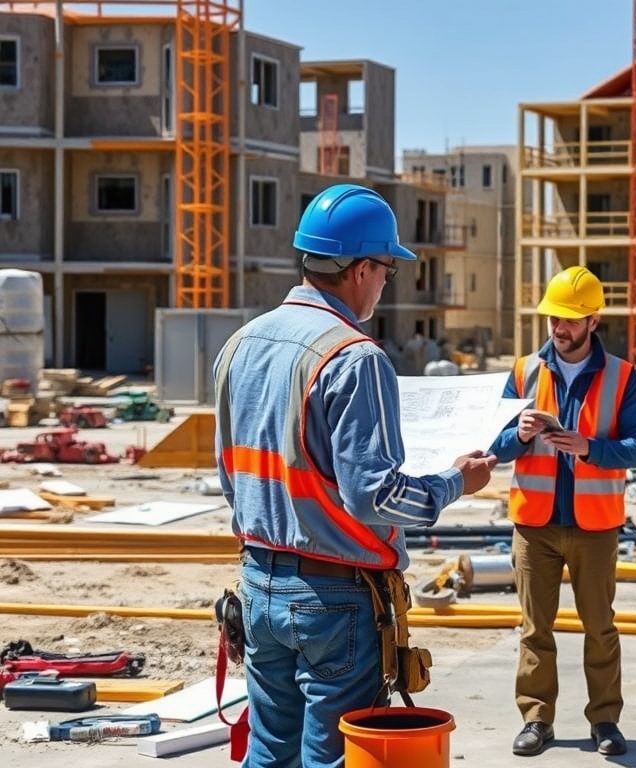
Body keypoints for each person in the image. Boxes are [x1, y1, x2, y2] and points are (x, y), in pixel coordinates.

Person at [213, 183, 497, 768]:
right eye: (387, 271)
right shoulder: (353, 356)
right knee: (333, 757)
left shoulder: (240, 345)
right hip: (334, 596)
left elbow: (231, 476)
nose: (385, 284)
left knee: (268, 751)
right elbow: (375, 498)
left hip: (258, 582)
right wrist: (453, 482)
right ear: (362, 269)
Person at [489, 266, 636, 757]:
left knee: (599, 627)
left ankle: (605, 720)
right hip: (534, 524)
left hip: (595, 526)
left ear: (593, 321)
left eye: (570, 320)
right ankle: (537, 719)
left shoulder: (623, 377)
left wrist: (589, 447)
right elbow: (492, 444)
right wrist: (516, 435)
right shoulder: (522, 372)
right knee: (535, 630)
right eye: (553, 319)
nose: (559, 329)